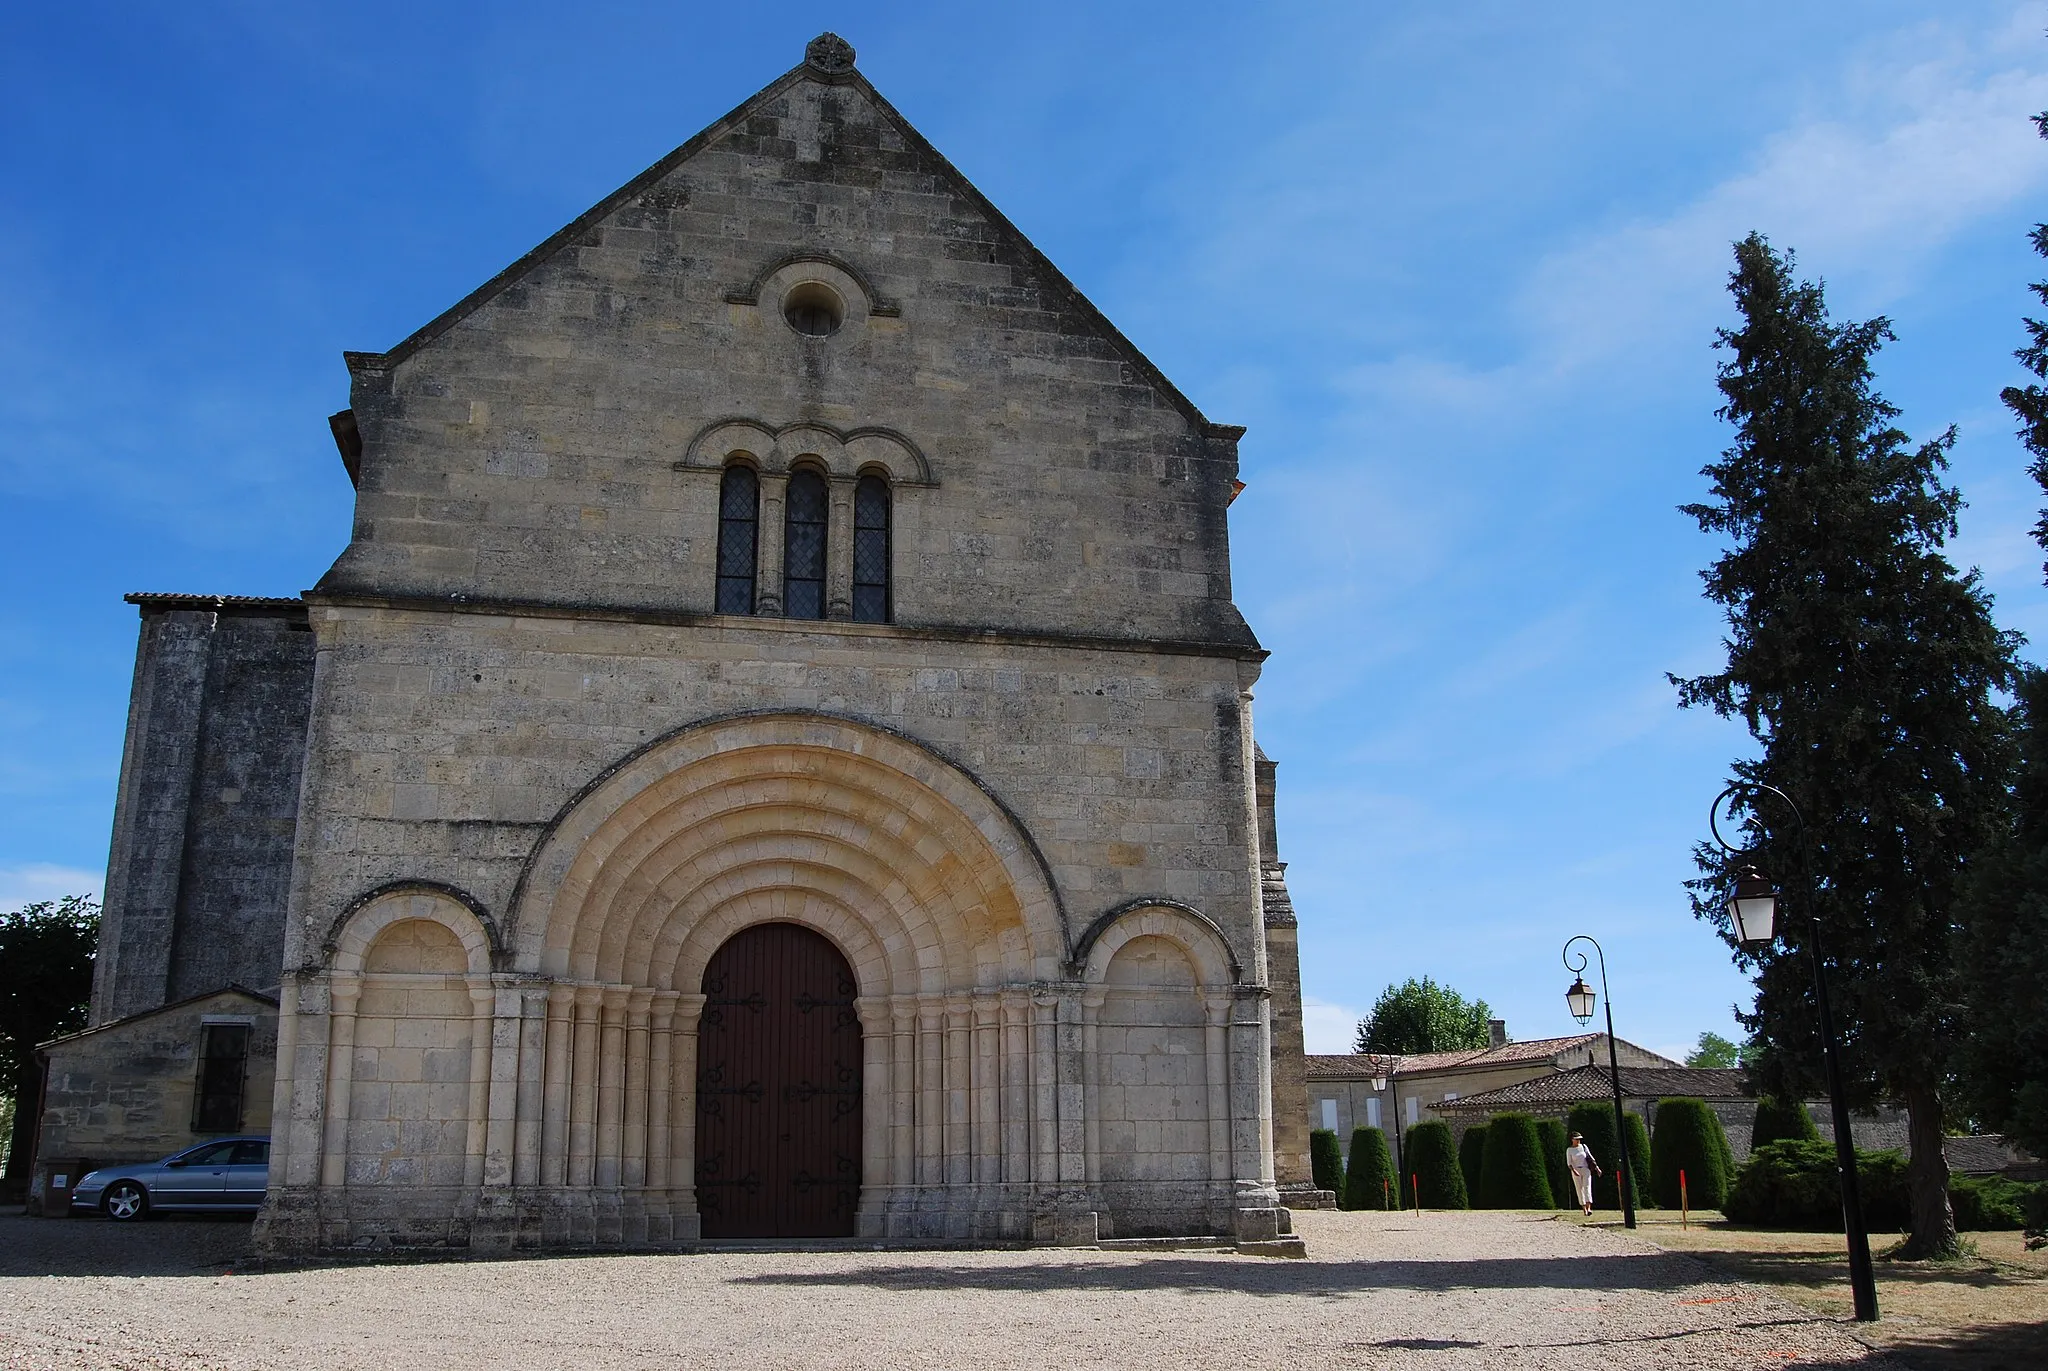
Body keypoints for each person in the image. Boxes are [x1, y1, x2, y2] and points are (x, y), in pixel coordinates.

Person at [1565, 1132, 1600, 1216]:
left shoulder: (1584, 1147)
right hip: (1576, 1169)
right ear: (1572, 1140)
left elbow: (1591, 1158)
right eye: (1576, 1139)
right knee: (1579, 1189)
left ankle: (1589, 1208)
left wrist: (1597, 1168)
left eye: (1579, 1139)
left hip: (1586, 1169)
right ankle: (1584, 1208)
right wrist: (1574, 1171)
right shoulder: (1569, 1150)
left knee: (1587, 1187)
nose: (1578, 1141)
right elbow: (1569, 1163)